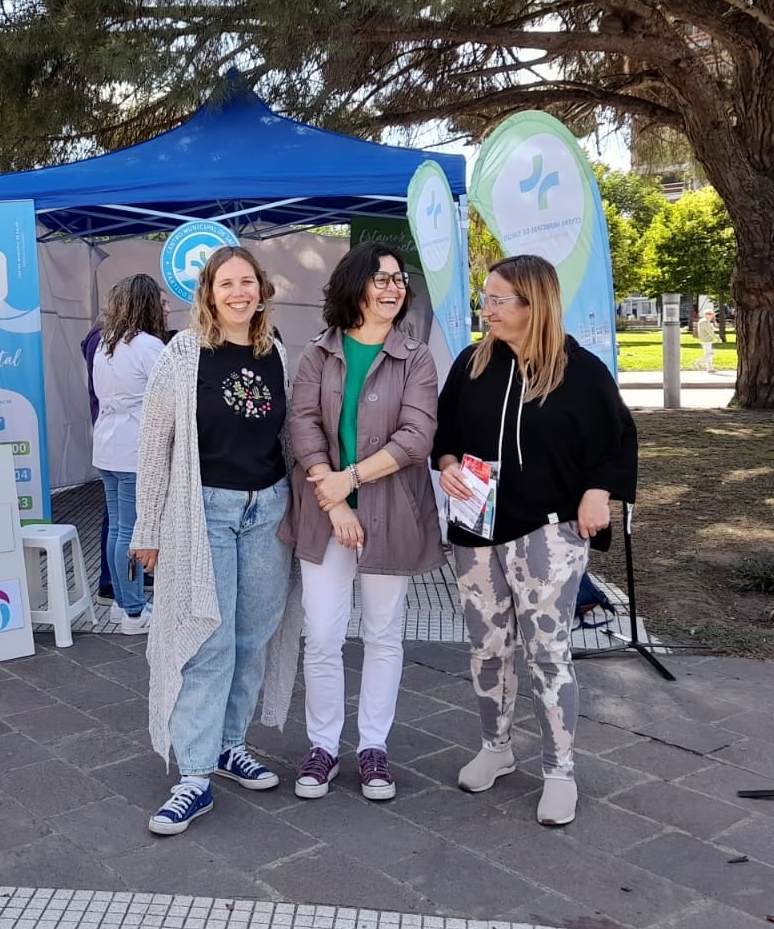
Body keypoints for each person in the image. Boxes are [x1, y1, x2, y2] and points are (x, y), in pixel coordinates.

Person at [432, 254, 637, 826]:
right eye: (485, 297)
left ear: (533, 304)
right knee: (487, 648)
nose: (487, 308)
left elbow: (618, 440)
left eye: (499, 300)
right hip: (477, 530)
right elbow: (444, 432)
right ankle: (496, 747)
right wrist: (446, 462)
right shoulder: (472, 364)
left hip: (547, 532)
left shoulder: (580, 370)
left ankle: (559, 770)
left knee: (547, 653)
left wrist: (600, 491)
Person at [131, 245, 296, 835]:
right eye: (226, 283)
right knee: (207, 637)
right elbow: (154, 446)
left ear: (261, 290)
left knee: (254, 636)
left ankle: (231, 744)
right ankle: (194, 776)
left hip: (267, 510)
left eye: (247, 282)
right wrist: (145, 528)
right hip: (203, 514)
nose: (238, 292)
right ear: (207, 292)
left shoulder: (274, 350)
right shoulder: (182, 354)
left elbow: (288, 438)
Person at [279, 242, 442, 803]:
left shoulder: (415, 357)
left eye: (399, 280)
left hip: (391, 510)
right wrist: (335, 499)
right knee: (321, 635)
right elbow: (301, 426)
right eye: (381, 278)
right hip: (326, 515)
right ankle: (323, 746)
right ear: (355, 285)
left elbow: (417, 438)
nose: (393, 288)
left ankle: (374, 746)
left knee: (383, 635)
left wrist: (349, 482)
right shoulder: (317, 353)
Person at [91, 274, 169, 634]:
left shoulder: (106, 344)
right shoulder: (149, 346)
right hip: (136, 450)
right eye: (161, 301)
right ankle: (135, 611)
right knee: (132, 532)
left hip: (107, 446)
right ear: (148, 304)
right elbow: (171, 396)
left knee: (117, 529)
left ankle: (123, 606)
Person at [694, 307, 718, 373]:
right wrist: (717, 338)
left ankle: (710, 368)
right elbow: (710, 331)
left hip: (705, 340)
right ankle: (698, 362)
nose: (712, 315)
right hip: (706, 340)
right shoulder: (705, 321)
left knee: (708, 354)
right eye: (710, 314)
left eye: (712, 314)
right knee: (711, 354)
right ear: (706, 314)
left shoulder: (704, 321)